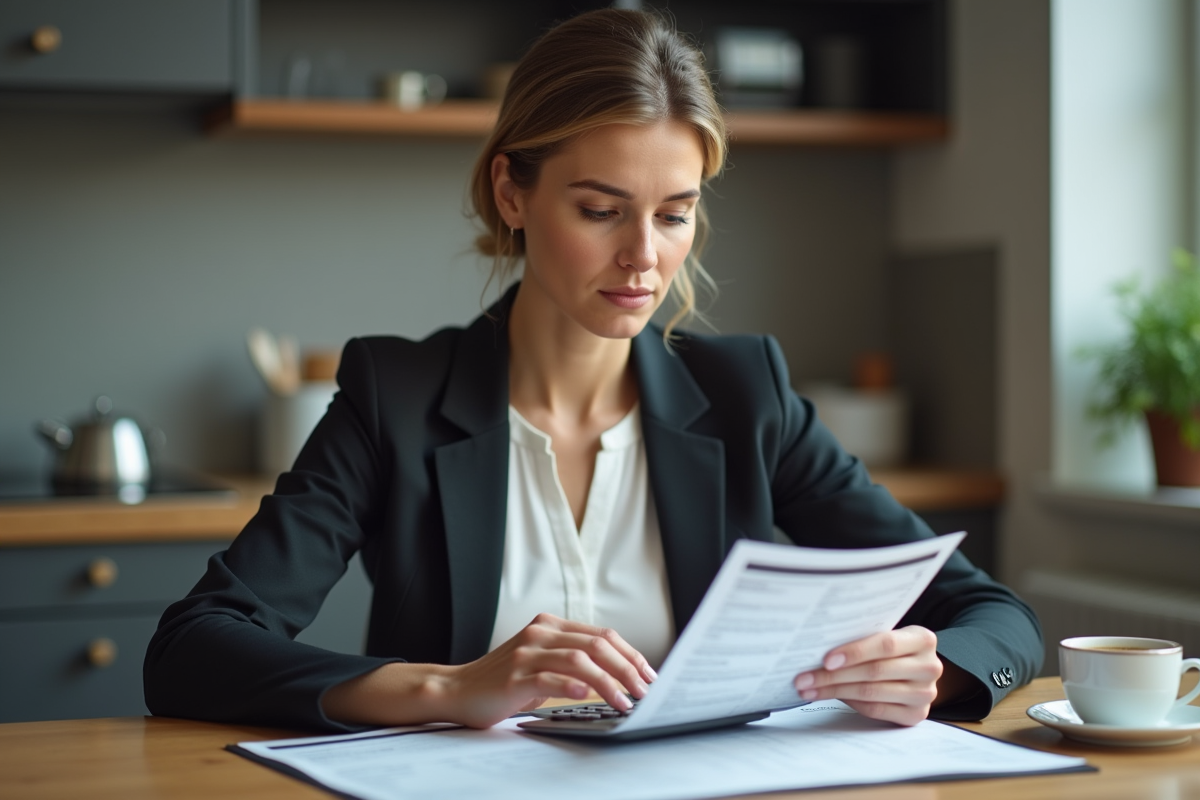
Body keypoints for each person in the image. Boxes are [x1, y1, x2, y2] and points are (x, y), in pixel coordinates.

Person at [144, 8, 1042, 733]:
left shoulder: (745, 396)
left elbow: (997, 618)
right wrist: (448, 690)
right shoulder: (398, 397)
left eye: (675, 214)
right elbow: (193, 647)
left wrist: (936, 670)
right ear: (512, 193)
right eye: (601, 210)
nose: (644, 258)